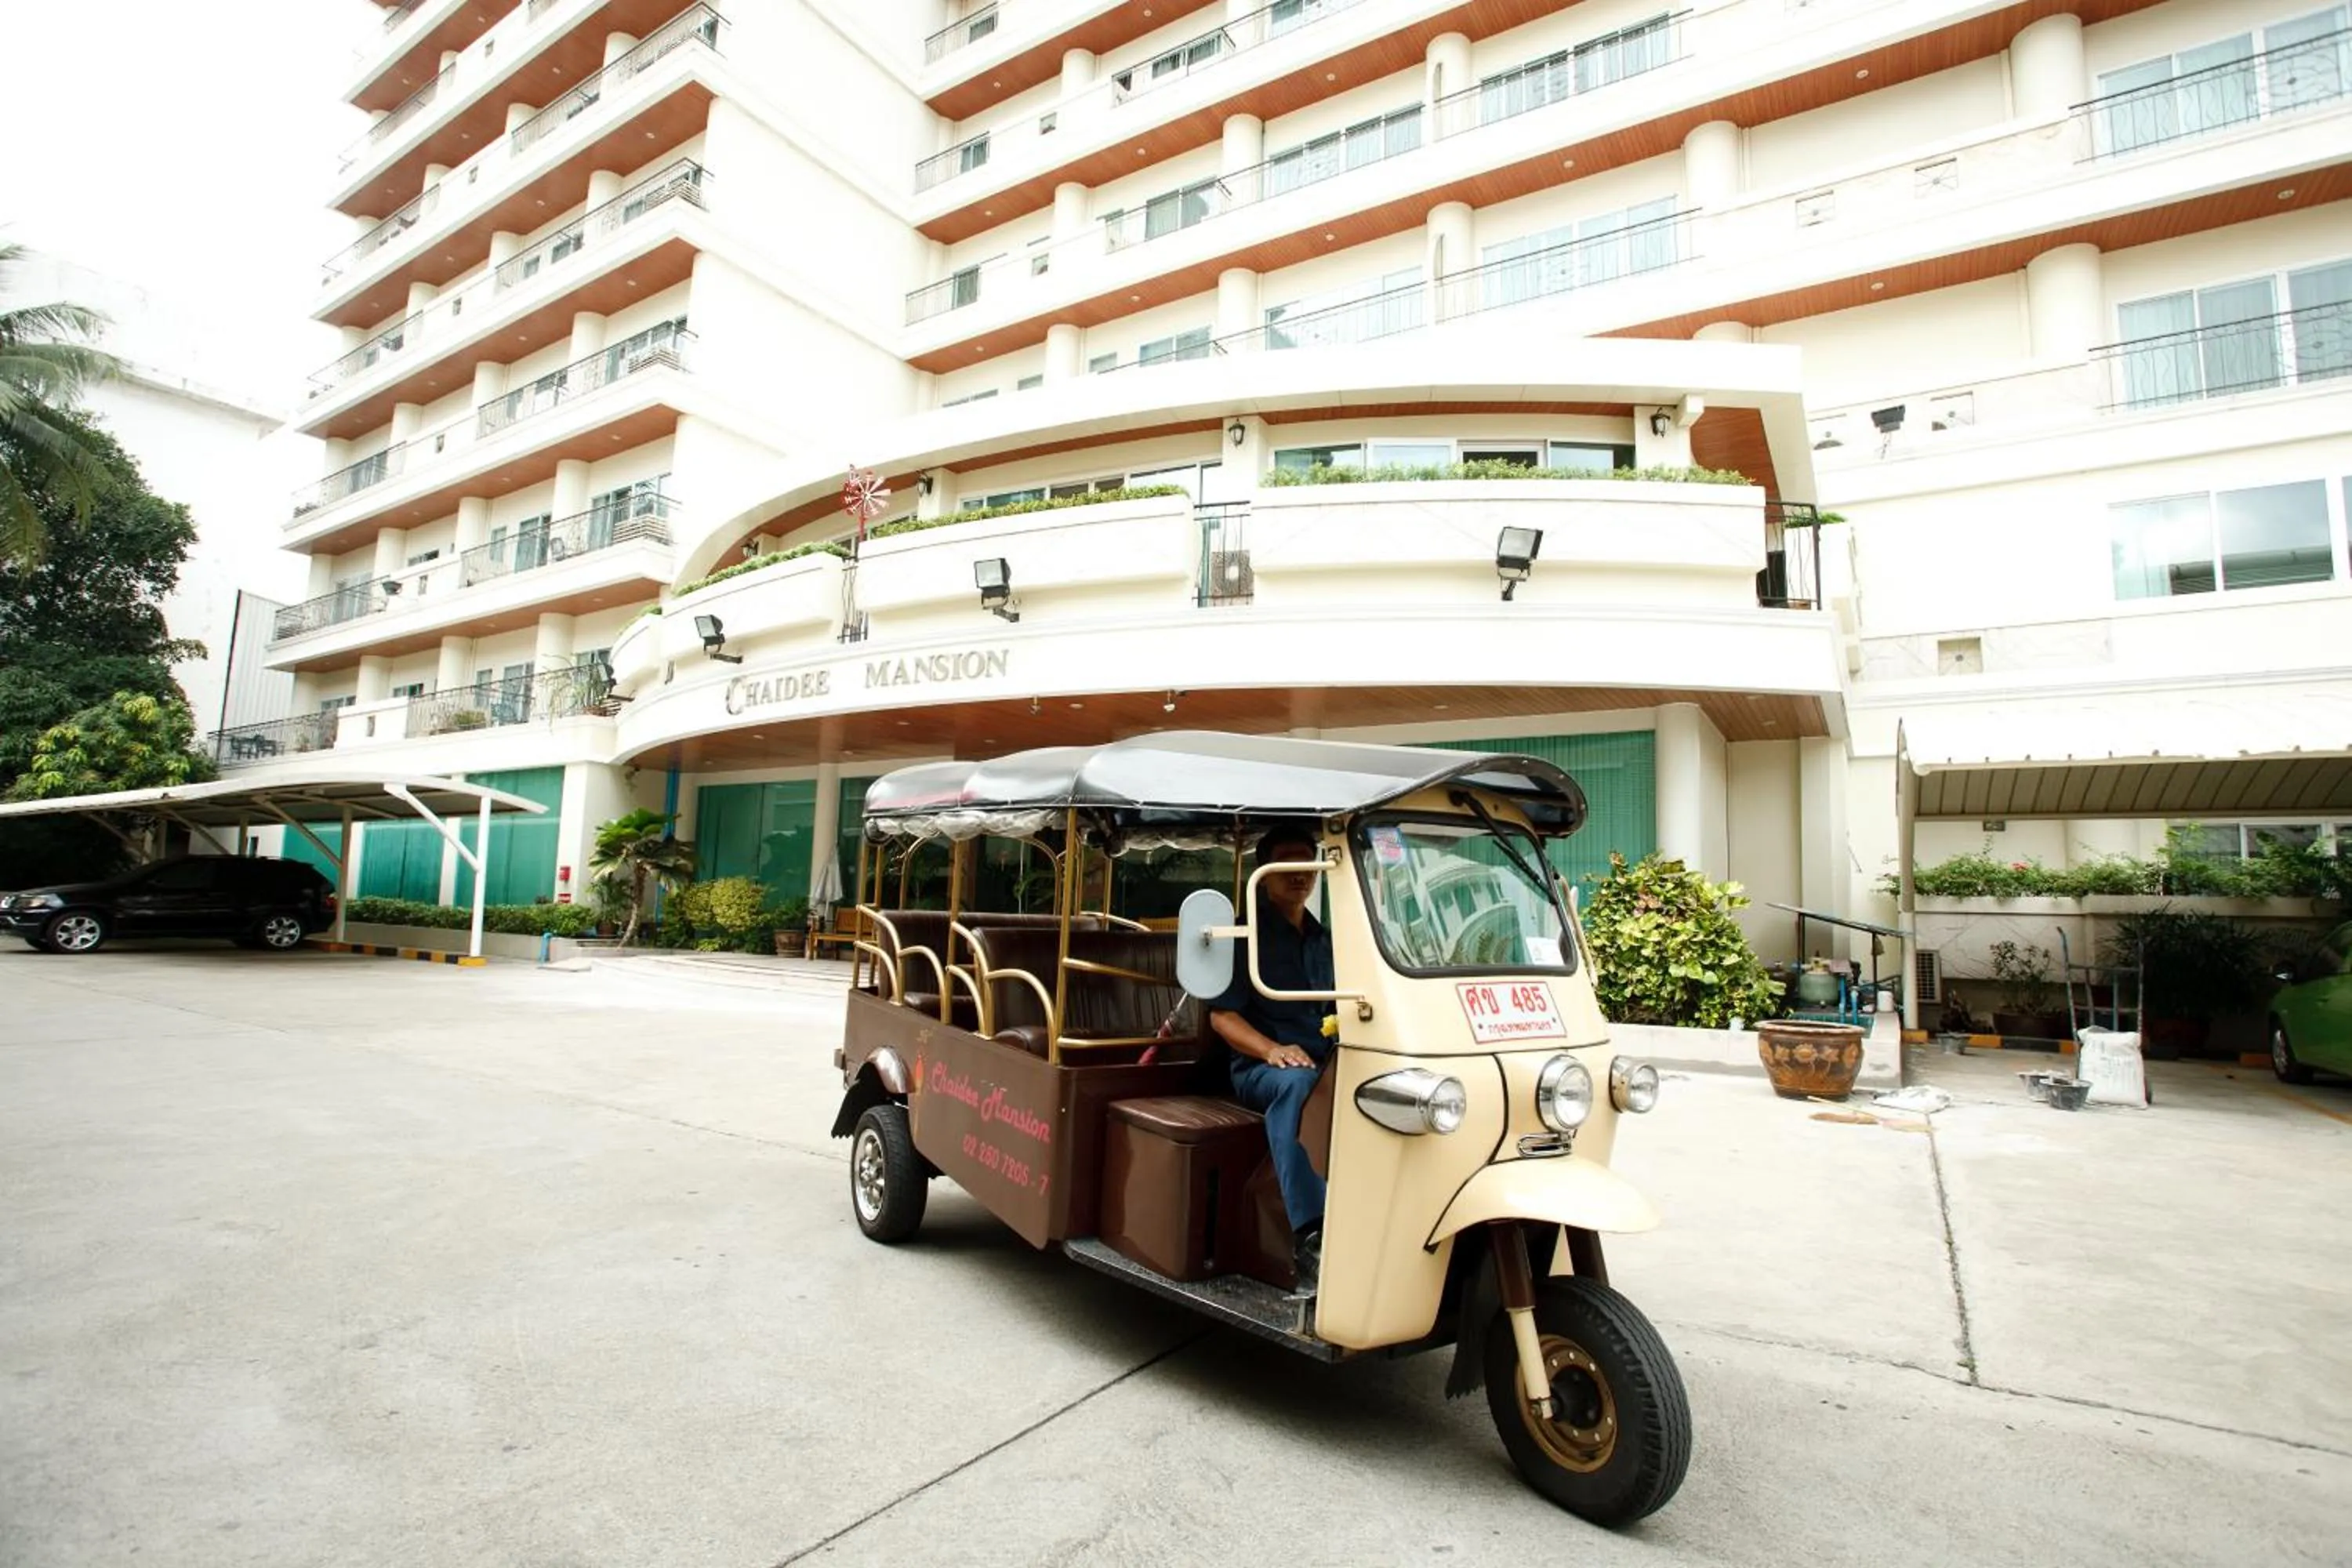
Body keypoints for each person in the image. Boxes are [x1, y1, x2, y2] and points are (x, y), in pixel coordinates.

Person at [1208, 820, 1336, 1294]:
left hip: (1325, 1058)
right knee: (1299, 1084)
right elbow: (1222, 1019)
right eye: (1288, 863)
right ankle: (1311, 1239)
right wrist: (1273, 1050)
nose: (1300, 874)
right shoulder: (1245, 934)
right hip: (1261, 1069)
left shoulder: (1324, 937)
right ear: (1265, 872)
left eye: (1309, 863)